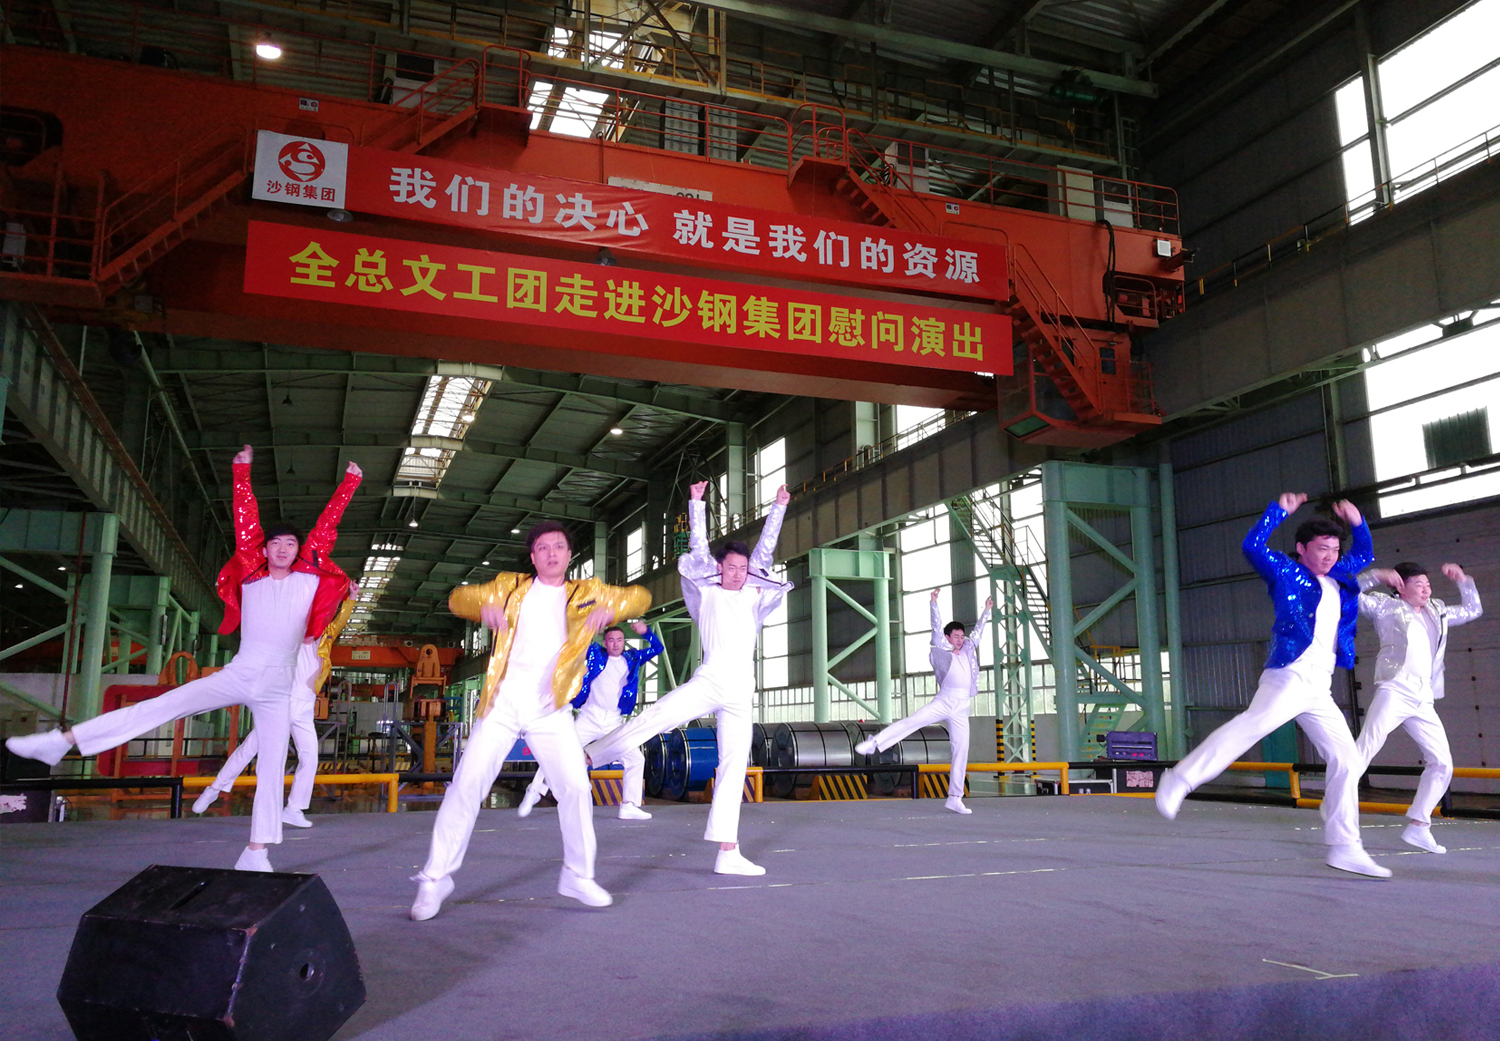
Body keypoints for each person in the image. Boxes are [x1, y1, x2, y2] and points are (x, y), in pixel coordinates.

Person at [6, 445, 359, 871]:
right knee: (161, 705)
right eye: (275, 543)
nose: (283, 548)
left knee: (271, 767)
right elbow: (245, 520)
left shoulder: (309, 577)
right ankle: (59, 743)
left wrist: (350, 483)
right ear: (264, 550)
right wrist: (241, 473)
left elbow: (327, 526)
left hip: (278, 687)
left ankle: (256, 853)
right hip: (241, 672)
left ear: (300, 550)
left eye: (291, 544)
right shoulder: (251, 572)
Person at [410, 521, 650, 920]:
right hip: (502, 704)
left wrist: (613, 609)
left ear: (569, 555)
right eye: (542, 547)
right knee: (467, 786)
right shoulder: (510, 586)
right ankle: (435, 878)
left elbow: (640, 596)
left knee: (575, 787)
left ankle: (578, 875)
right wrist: (481, 607)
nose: (551, 553)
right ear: (533, 557)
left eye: (558, 546)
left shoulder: (587, 593)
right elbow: (457, 598)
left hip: (550, 710)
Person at [1154, 493, 1389, 879]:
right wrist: (1278, 512)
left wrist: (1358, 522)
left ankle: (1345, 847)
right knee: (1253, 725)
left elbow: (1364, 551)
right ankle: (1180, 778)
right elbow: (1252, 546)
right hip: (1290, 674)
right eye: (1322, 548)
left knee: (1347, 760)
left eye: (1334, 549)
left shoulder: (1341, 576)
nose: (1330, 556)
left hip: (1320, 685)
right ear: (1302, 548)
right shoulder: (1285, 571)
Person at [584, 480, 792, 876]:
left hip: (741, 690)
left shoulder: (753, 594)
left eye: (743, 569)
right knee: (656, 717)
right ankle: (590, 756)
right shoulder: (707, 592)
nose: (738, 574)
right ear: (720, 568)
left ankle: (728, 852)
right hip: (710, 680)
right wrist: (696, 503)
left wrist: (779, 505)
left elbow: (766, 548)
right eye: (731, 568)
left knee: (734, 765)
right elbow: (698, 549)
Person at [192, 589, 358, 827]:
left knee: (310, 758)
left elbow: (339, 621)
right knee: (250, 748)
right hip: (283, 703)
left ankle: (294, 808)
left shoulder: (324, 638)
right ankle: (214, 789)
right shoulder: (287, 638)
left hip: (305, 706)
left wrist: (351, 598)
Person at [1356, 561, 1481, 853]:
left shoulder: (1438, 610)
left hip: (1423, 695)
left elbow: (1472, 609)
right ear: (1400, 587)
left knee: (1442, 762)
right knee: (1366, 747)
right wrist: (1375, 575)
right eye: (1419, 585)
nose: (1426, 590)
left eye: (1428, 584)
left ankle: (1419, 825)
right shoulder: (1385, 606)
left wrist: (1463, 580)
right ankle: (1338, 802)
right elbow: (1347, 593)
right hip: (1395, 687)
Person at [856, 588, 992, 814]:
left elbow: (978, 632)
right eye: (956, 637)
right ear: (947, 638)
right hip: (945, 700)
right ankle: (875, 743)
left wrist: (986, 611)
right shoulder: (941, 649)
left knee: (961, 750)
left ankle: (955, 798)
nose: (960, 640)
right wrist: (933, 604)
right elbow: (936, 627)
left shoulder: (968, 648)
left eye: (961, 636)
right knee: (913, 721)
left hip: (962, 706)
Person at [520, 621, 664, 821]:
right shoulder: (595, 653)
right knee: (560, 751)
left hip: (613, 721)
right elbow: (576, 641)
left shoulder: (632, 658)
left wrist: (646, 632)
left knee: (636, 759)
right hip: (589, 717)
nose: (616, 644)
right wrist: (587, 626)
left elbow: (658, 648)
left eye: (619, 640)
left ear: (624, 642)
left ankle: (629, 805)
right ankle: (535, 790)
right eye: (611, 640)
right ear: (605, 642)